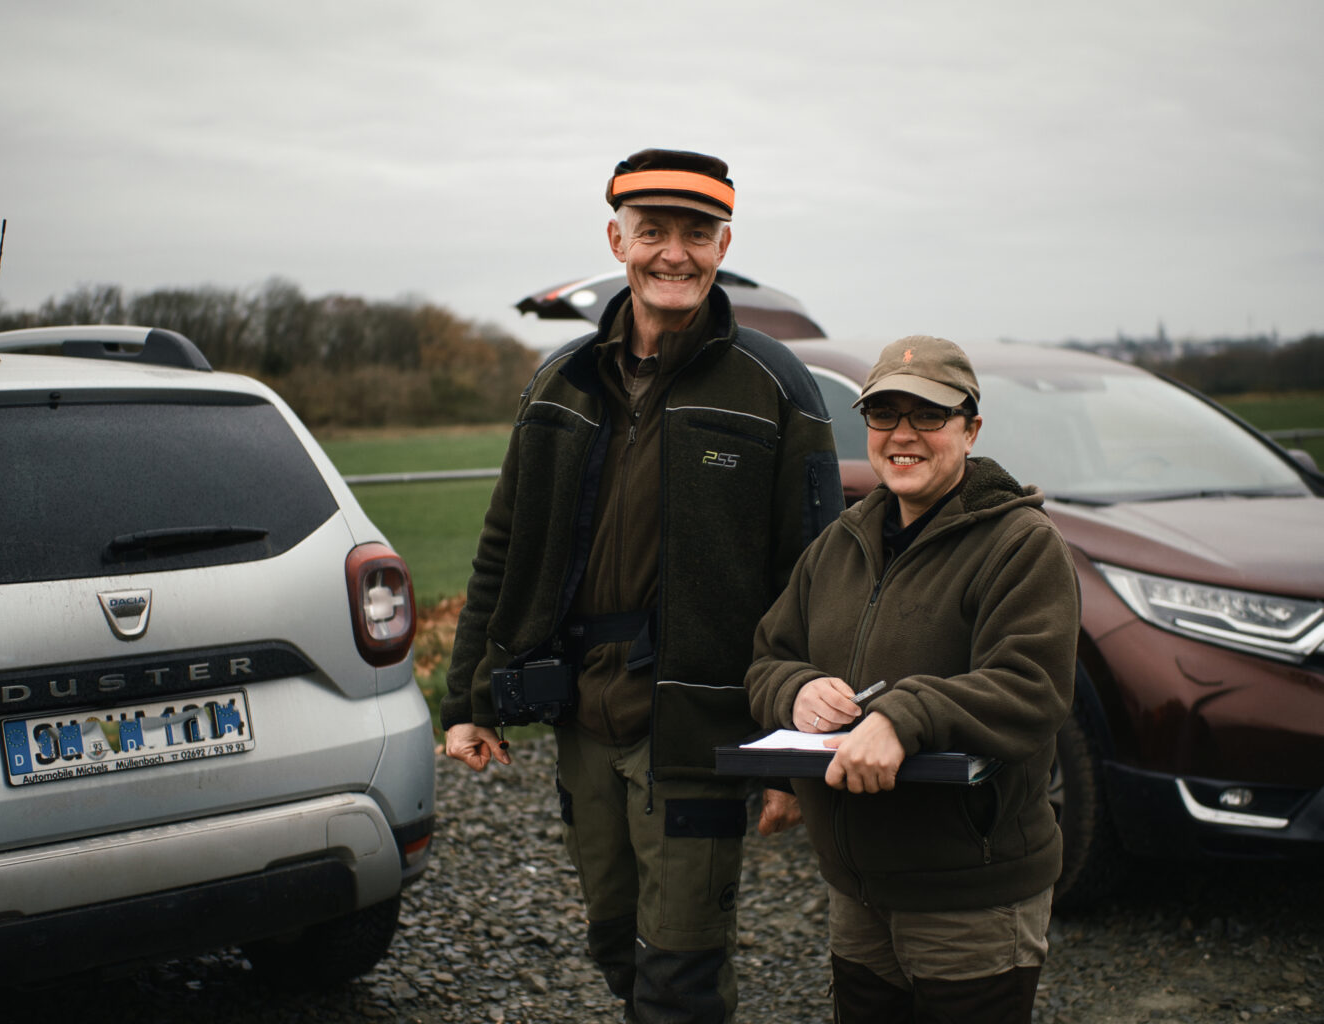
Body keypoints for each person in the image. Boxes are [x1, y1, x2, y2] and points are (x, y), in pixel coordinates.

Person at [440, 147, 843, 1024]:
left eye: (696, 234)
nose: (673, 253)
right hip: (583, 714)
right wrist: (469, 699)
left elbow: (814, 576)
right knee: (614, 944)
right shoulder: (560, 381)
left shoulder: (774, 385)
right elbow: (503, 550)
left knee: (680, 972)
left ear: (723, 244)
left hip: (700, 724)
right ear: (615, 239)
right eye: (652, 231)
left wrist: (793, 757)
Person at [744, 335, 1080, 1023]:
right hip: (856, 889)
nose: (902, 435)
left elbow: (1030, 686)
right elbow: (768, 659)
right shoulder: (839, 543)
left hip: (969, 895)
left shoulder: (1020, 544)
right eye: (883, 414)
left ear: (970, 429)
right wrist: (796, 691)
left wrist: (903, 717)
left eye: (928, 415)